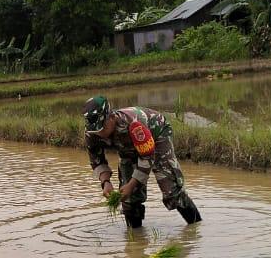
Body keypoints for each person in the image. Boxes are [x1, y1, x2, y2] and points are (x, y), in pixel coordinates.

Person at [83, 95, 202, 228]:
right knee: (128, 199)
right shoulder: (91, 133)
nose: (100, 134)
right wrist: (106, 183)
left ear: (111, 117)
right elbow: (97, 160)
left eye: (103, 128)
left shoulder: (134, 124)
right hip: (128, 149)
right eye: (97, 131)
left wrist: (132, 184)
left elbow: (147, 157)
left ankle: (196, 229)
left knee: (171, 191)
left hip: (157, 136)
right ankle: (136, 242)